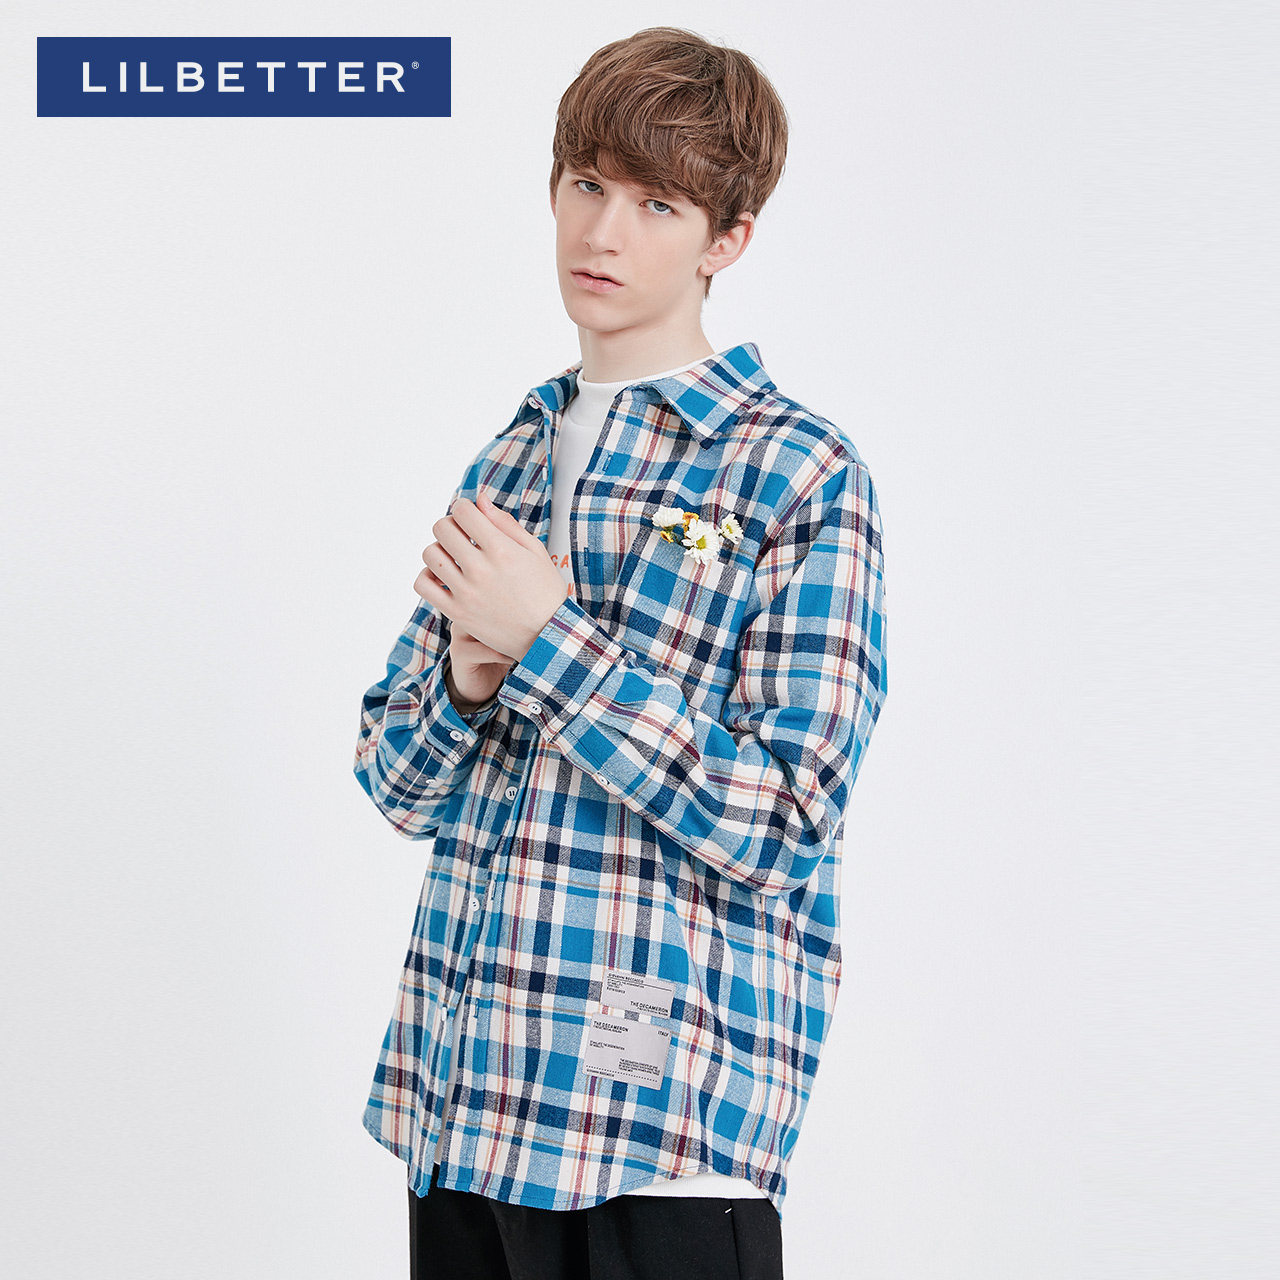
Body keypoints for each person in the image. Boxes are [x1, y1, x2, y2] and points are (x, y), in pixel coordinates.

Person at [353, 25, 890, 1280]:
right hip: (463, 1112)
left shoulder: (797, 471)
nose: (602, 233)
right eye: (587, 183)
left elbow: (785, 818)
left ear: (725, 239)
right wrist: (467, 677)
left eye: (657, 204)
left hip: (655, 1143)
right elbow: (394, 782)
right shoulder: (513, 454)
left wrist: (549, 642)